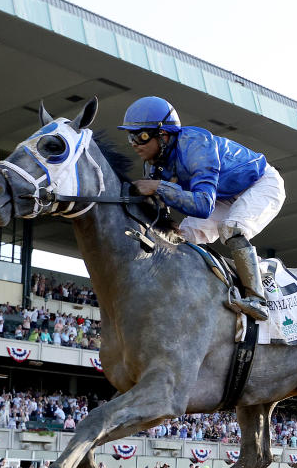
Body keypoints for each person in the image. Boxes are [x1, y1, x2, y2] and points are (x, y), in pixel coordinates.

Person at [119, 96, 286, 321]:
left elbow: (203, 206)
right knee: (183, 239)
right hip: (223, 195)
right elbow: (161, 214)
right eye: (131, 136)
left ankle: (257, 299)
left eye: (141, 136)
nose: (135, 144)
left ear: (164, 135)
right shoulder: (154, 165)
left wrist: (159, 187)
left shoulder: (196, 145)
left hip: (260, 183)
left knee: (232, 228)